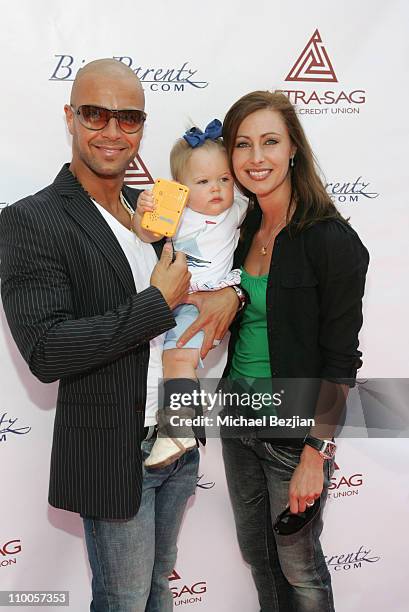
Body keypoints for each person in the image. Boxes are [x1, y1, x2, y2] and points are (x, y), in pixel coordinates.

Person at [0, 58, 239, 612]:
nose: (112, 131)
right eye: (95, 114)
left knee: (159, 593)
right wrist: (156, 303)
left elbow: (202, 282)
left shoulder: (151, 213)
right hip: (116, 451)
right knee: (125, 600)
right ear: (70, 118)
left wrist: (233, 294)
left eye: (128, 118)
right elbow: (47, 350)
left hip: (178, 440)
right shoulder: (33, 220)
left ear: (142, 126)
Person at [219, 91, 369, 612]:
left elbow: (340, 362)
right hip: (238, 416)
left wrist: (315, 454)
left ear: (293, 151)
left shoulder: (330, 240)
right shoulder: (240, 234)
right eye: (243, 144)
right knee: (259, 557)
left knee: (300, 569)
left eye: (269, 142)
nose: (255, 157)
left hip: (294, 431)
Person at [133, 120, 247, 468]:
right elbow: (147, 235)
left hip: (204, 302)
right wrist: (143, 214)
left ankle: (178, 430)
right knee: (169, 361)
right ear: (181, 188)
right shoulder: (177, 215)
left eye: (224, 179)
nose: (216, 189)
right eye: (202, 181)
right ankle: (179, 427)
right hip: (173, 300)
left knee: (178, 360)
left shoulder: (238, 209)